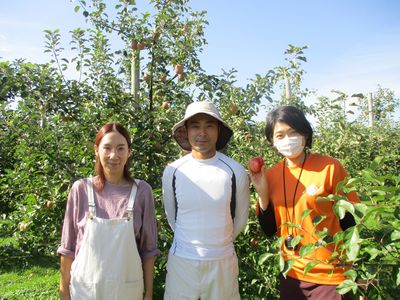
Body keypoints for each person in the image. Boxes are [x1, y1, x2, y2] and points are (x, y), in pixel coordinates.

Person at [249, 106, 360, 300]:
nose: (287, 139)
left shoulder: (330, 167)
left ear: (305, 134)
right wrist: (262, 193)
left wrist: (357, 273)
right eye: (280, 135)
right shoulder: (271, 175)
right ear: (272, 141)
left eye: (293, 132)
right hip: (292, 273)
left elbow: (350, 223)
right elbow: (269, 230)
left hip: (331, 274)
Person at [58, 123, 160, 300]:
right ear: (96, 150)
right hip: (85, 290)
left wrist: (149, 293)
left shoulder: (142, 191)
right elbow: (68, 248)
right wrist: (64, 291)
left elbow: (148, 250)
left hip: (128, 290)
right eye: (107, 148)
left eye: (121, 148)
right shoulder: (81, 189)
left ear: (129, 152)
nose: (114, 155)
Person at [162, 101, 250, 300]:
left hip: (222, 262)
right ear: (186, 131)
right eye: (195, 126)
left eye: (209, 125)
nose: (202, 132)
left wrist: (217, 246)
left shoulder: (235, 171)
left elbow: (240, 219)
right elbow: (172, 218)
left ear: (218, 130)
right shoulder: (173, 171)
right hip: (182, 262)